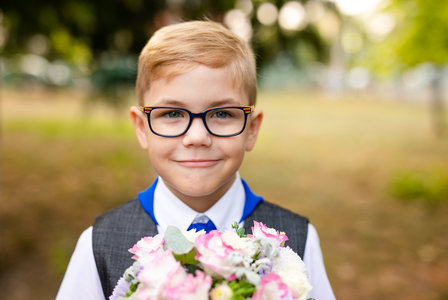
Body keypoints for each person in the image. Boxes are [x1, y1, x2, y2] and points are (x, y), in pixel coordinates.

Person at [56, 20, 335, 300]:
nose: (197, 137)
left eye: (223, 114)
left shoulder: (299, 240)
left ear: (251, 129)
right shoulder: (99, 246)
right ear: (142, 128)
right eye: (172, 114)